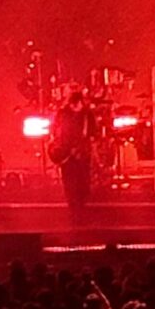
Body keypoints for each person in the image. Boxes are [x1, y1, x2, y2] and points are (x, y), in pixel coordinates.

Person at [48, 86, 98, 221]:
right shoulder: (63, 113)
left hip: (82, 153)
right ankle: (74, 208)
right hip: (67, 154)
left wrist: (89, 147)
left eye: (77, 104)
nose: (75, 107)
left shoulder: (88, 115)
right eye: (73, 104)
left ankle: (80, 206)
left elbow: (93, 133)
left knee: (83, 182)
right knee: (69, 183)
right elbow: (56, 131)